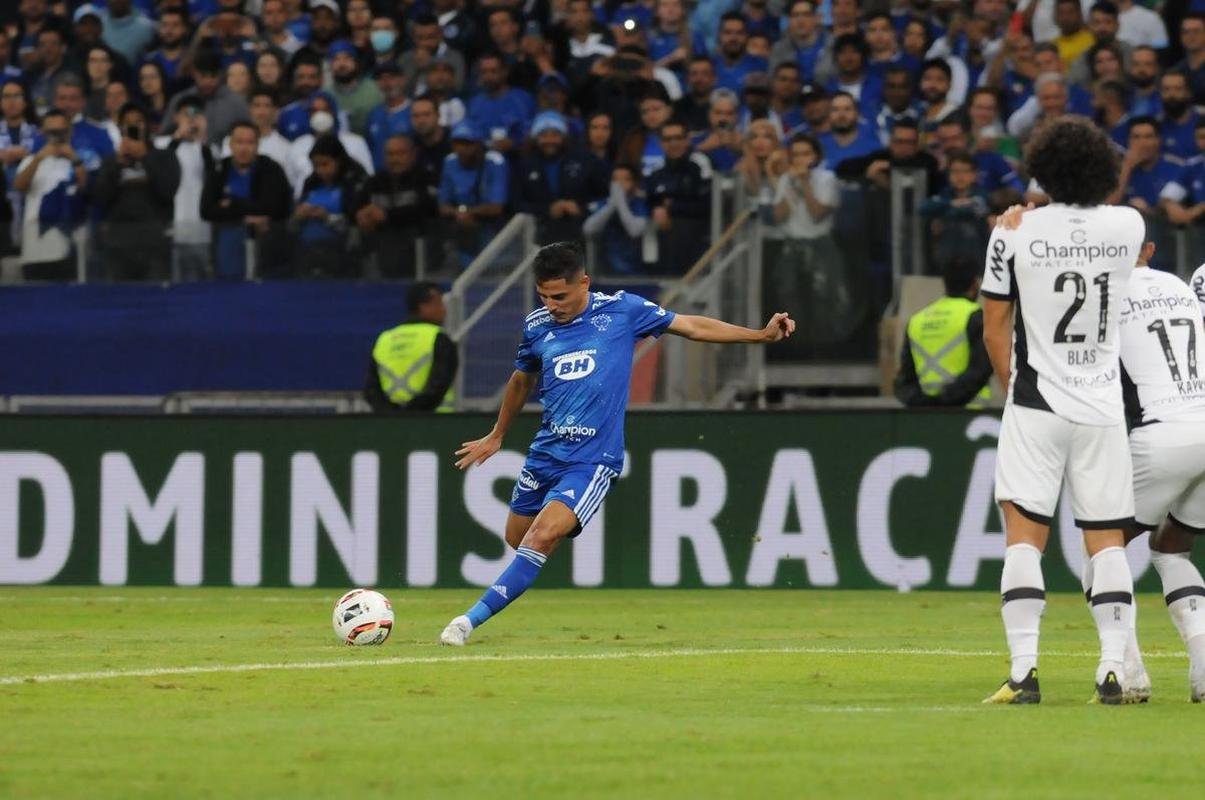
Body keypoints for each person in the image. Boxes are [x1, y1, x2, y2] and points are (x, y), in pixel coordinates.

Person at [438, 241, 795, 645]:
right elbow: (522, 379)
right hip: (545, 452)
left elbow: (693, 326)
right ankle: (549, 534)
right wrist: (497, 433)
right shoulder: (537, 325)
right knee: (519, 539)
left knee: (541, 537)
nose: (552, 304)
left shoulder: (624, 311)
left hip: (592, 459)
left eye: (560, 296)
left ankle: (466, 622)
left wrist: (759, 336)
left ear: (584, 283)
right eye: (544, 296)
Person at [979, 117, 1144, 705]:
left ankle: (1024, 673)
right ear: (1103, 169)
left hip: (1036, 401)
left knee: (1024, 537)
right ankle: (1112, 670)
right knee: (1108, 542)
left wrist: (1011, 389)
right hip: (1102, 405)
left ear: (1041, 167)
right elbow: (1103, 219)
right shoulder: (1129, 226)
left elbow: (995, 324)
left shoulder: (1013, 230)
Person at [92, 102, 180, 281]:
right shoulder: (111, 161)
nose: (133, 126)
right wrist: (117, 166)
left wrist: (145, 157)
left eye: (138, 121)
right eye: (128, 122)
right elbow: (100, 198)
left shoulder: (165, 156)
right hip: (118, 244)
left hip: (155, 243)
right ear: (120, 127)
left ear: (147, 125)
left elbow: (168, 190)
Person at [894, 257, 992, 407]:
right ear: (975, 285)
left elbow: (904, 381)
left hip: (927, 417)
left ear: (945, 284)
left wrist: (925, 403)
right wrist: (946, 400)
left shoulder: (917, 321)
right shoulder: (976, 317)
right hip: (970, 417)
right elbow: (981, 370)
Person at [200, 121, 292, 279]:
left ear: (258, 144)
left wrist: (231, 204)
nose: (244, 148)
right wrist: (247, 216)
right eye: (239, 142)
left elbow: (277, 207)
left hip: (268, 246)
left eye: (250, 142)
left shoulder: (271, 168)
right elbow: (206, 210)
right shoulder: (219, 170)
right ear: (230, 144)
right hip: (229, 246)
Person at [13, 109, 87, 281]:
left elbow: (84, 188)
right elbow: (19, 185)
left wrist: (73, 158)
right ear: (43, 133)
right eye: (51, 132)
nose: (55, 137)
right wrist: (39, 158)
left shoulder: (79, 160)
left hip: (68, 249)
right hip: (35, 249)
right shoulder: (31, 160)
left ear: (69, 132)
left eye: (60, 132)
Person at [516, 111, 608, 244]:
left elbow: (605, 197)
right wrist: (547, 210)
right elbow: (517, 203)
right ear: (536, 138)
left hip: (583, 235)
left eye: (555, 135)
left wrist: (582, 208)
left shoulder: (585, 160)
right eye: (543, 135)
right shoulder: (525, 165)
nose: (549, 140)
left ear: (563, 136)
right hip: (540, 237)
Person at [364, 281, 457, 413]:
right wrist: (413, 411)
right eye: (439, 304)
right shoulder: (439, 338)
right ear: (422, 306)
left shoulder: (385, 339)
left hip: (390, 424)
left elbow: (371, 389)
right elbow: (439, 384)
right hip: (435, 423)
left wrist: (391, 413)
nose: (444, 310)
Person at [355, 134, 438, 278]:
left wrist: (386, 215)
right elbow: (358, 208)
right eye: (390, 154)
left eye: (401, 153)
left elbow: (427, 209)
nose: (395, 159)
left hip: (422, 260)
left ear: (413, 154)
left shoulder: (426, 178)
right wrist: (362, 215)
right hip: (382, 258)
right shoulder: (374, 182)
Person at [437, 122, 509, 268]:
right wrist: (459, 213)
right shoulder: (450, 162)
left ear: (479, 144)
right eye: (457, 144)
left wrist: (469, 212)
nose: (462, 149)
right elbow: (443, 205)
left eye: (467, 144)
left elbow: (496, 207)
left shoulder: (495, 161)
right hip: (460, 225)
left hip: (491, 225)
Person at [157, 97, 213, 282]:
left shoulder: (209, 149)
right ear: (175, 117)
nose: (191, 119)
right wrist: (177, 138)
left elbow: (212, 177)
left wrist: (203, 140)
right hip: (172, 227)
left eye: (196, 114)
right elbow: (161, 167)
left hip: (201, 229)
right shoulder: (162, 144)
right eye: (186, 115)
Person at [647, 118, 712, 274]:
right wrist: (658, 210)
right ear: (661, 143)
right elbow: (651, 204)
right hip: (665, 246)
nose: (673, 143)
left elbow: (707, 206)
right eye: (668, 139)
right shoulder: (656, 173)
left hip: (696, 241)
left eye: (678, 138)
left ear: (687, 140)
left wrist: (671, 207)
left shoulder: (699, 165)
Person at [162, 49, 248, 146]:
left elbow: (249, 136)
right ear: (194, 73)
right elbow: (164, 135)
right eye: (203, 76)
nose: (208, 81)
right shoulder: (180, 100)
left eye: (213, 76)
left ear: (220, 74)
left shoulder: (237, 102)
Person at [583, 163, 650, 274]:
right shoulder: (603, 204)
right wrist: (612, 205)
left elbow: (634, 231)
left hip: (635, 270)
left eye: (625, 179)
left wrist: (619, 201)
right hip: (603, 270)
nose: (619, 184)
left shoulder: (640, 204)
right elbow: (588, 230)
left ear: (634, 183)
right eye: (615, 180)